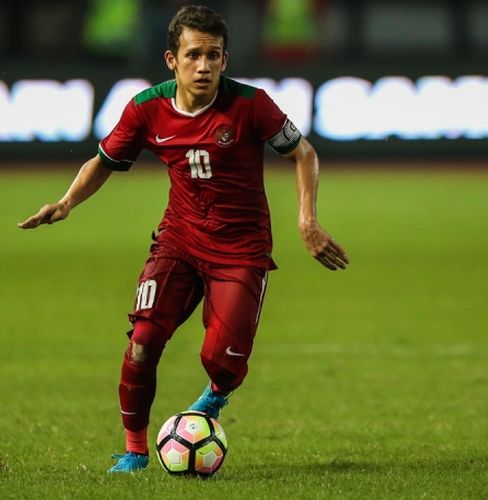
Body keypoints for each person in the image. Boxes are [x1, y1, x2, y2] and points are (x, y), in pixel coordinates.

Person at [18, 4, 349, 473]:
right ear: (172, 60)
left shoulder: (252, 105)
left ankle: (211, 400)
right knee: (143, 341)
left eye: (214, 55)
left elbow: (304, 154)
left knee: (223, 361)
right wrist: (67, 202)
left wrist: (307, 221)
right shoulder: (147, 109)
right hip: (179, 241)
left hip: (241, 252)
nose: (204, 66)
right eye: (194, 55)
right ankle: (134, 450)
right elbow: (104, 161)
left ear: (225, 60)